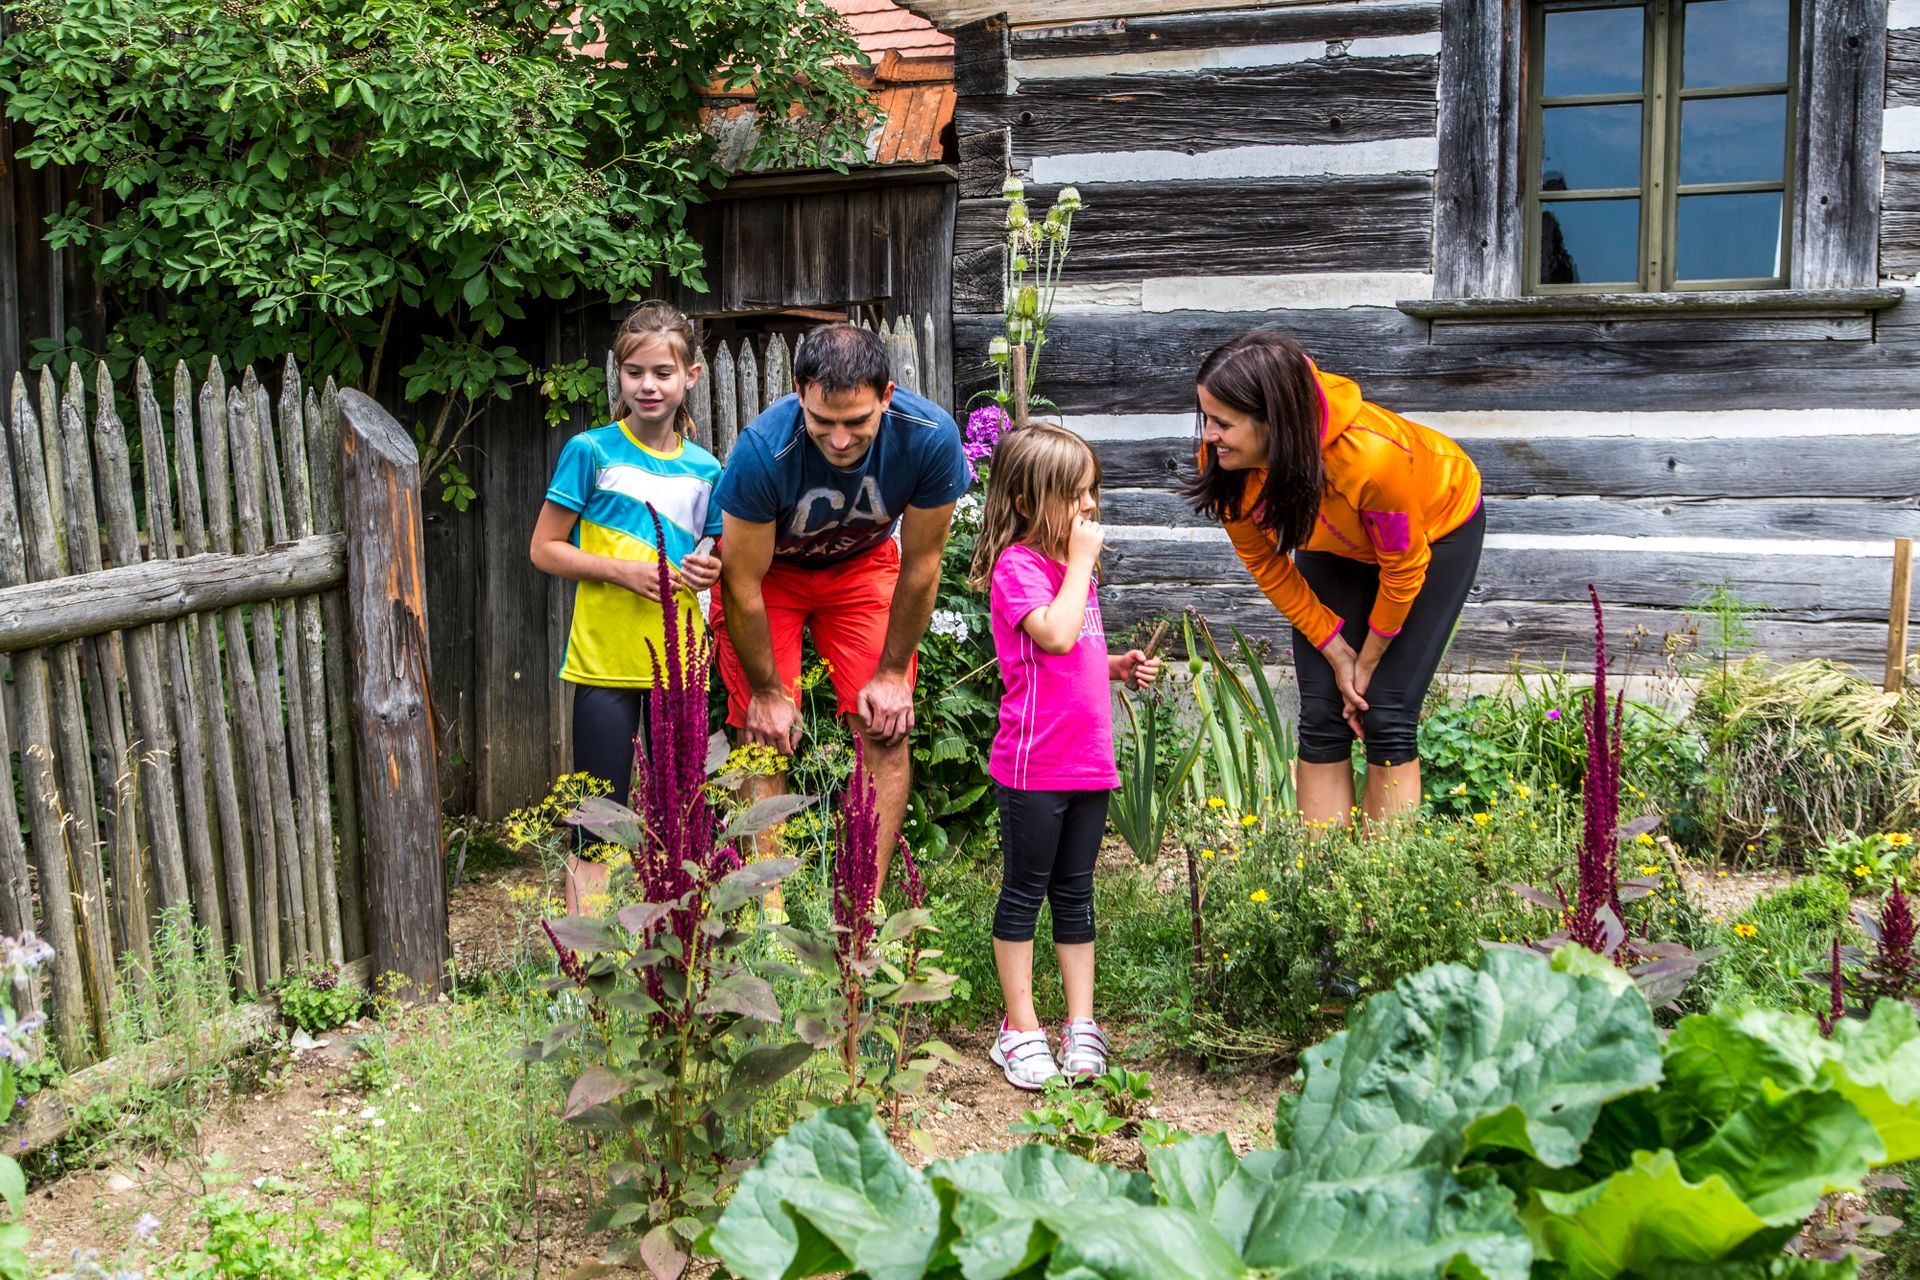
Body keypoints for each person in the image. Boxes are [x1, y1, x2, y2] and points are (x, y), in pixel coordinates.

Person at [1187, 331, 1483, 829]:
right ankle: (1323, 883)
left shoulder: (1372, 462)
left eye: (1223, 423)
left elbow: (1403, 568)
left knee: (1384, 712)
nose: (1209, 436)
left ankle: (1379, 890)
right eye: (1206, 418)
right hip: (1337, 543)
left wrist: (1365, 662)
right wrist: (1336, 649)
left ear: (1273, 422)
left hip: (1435, 530)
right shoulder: (1227, 469)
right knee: (1323, 713)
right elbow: (1268, 567)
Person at [712, 323, 968, 883]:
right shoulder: (761, 450)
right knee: (764, 736)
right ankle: (768, 919)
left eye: (857, 422)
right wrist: (766, 692)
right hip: (772, 577)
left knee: (885, 724)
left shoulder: (929, 438)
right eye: (822, 423)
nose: (840, 440)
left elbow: (923, 565)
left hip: (861, 568)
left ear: (887, 396)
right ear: (799, 391)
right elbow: (742, 582)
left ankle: (863, 909)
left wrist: (893, 672)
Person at [968, 423, 1161, 1090]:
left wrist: (1113, 666)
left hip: (1088, 764)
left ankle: (1082, 1023)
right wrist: (1079, 564)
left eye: (1092, 493)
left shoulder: (1070, 572)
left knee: (1076, 894)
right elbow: (1050, 636)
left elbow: (1072, 652)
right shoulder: (1018, 567)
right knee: (1025, 893)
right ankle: (1019, 1026)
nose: (1088, 508)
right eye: (1074, 496)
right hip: (1034, 769)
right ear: (1027, 501)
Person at [529, 301, 724, 807]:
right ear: (617, 373)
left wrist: (710, 569)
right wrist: (623, 572)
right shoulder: (590, 452)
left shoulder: (707, 470)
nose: (648, 386)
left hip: (682, 668)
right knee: (597, 829)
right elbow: (544, 549)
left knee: (680, 824)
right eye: (634, 372)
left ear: (691, 376)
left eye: (663, 372)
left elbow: (716, 559)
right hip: (604, 664)